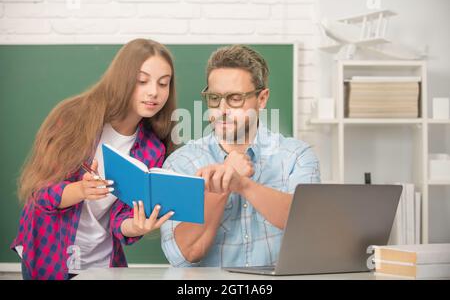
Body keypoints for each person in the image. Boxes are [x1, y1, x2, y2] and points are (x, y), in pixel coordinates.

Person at [12, 38, 176, 279]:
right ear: (122, 79)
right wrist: (81, 190)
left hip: (101, 262)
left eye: (164, 84)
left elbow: (122, 217)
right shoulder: (74, 117)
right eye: (142, 81)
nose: (154, 92)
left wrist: (136, 226)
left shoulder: (152, 148)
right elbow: (39, 193)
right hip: (48, 253)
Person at [161, 45, 321, 267]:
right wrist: (223, 185)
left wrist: (243, 184)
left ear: (262, 99)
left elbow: (309, 227)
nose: (222, 109)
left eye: (235, 98)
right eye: (214, 98)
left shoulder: (297, 156)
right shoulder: (181, 163)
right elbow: (182, 255)